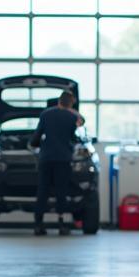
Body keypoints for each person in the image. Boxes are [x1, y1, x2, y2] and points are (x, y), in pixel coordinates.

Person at [31, 90, 84, 236]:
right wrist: (72, 111)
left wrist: (33, 144)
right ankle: (61, 225)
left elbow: (37, 135)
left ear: (58, 101)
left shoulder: (46, 114)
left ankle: (38, 224)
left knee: (43, 191)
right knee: (61, 191)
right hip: (63, 159)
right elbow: (81, 126)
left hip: (46, 158)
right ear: (71, 103)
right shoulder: (73, 116)